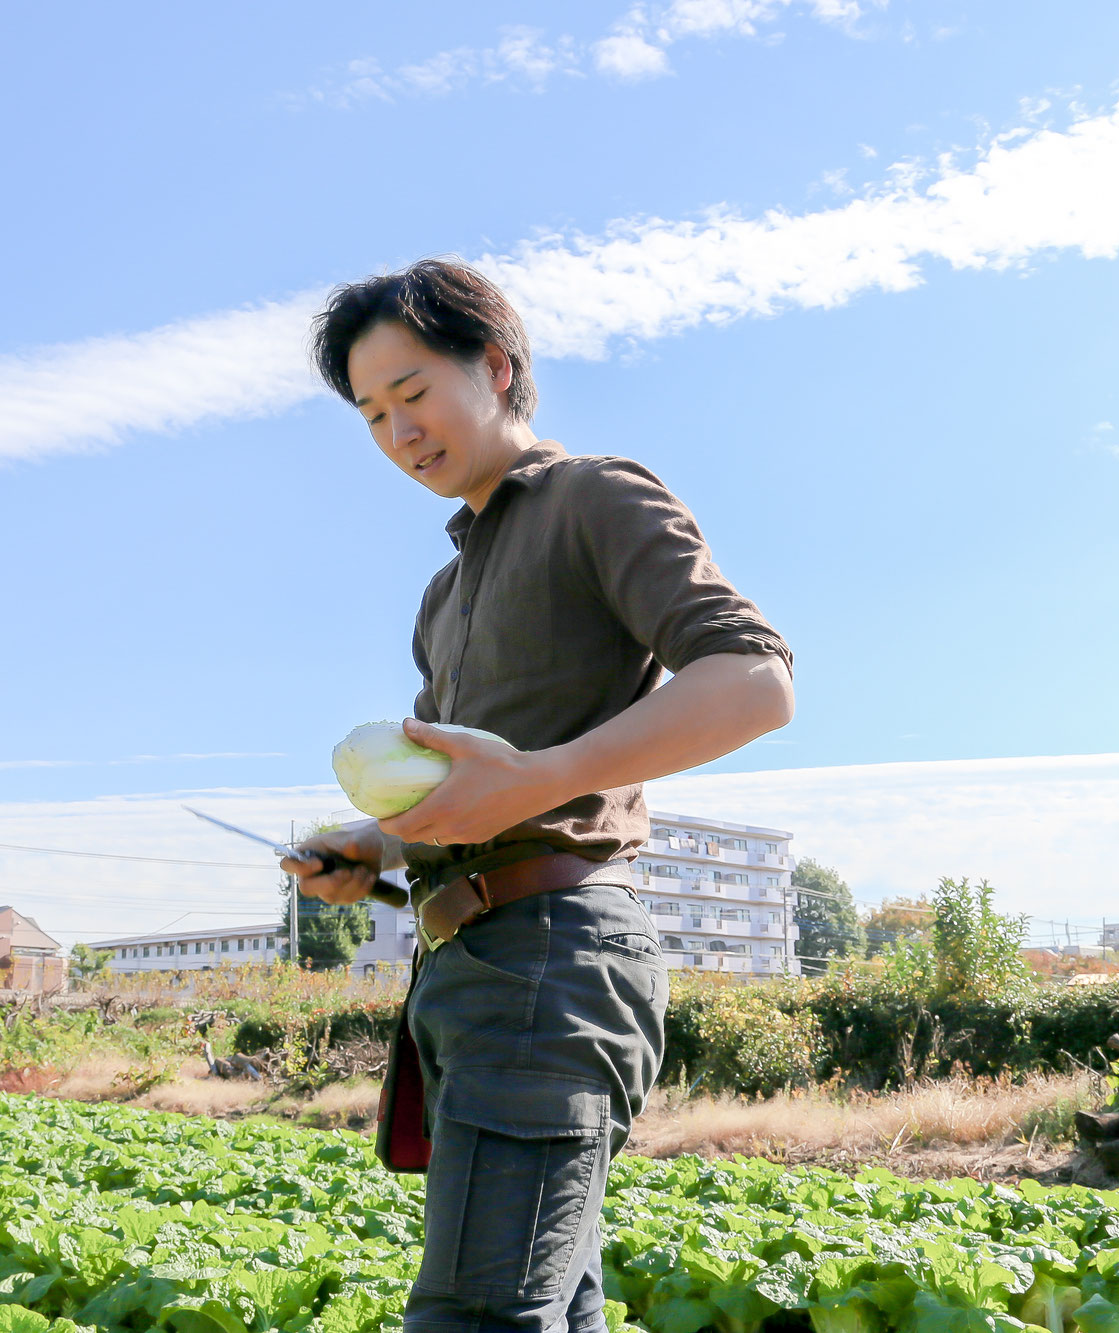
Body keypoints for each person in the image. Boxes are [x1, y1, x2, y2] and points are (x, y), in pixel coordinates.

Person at [284, 258, 793, 1333]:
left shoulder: (592, 497)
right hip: (471, 967)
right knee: (551, 1311)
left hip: (553, 954)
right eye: (372, 415)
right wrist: (373, 845)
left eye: (413, 393)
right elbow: (465, 788)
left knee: (476, 1316)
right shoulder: (444, 591)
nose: (397, 433)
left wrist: (553, 775)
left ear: (496, 366)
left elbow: (754, 678)